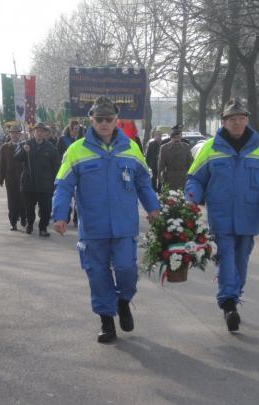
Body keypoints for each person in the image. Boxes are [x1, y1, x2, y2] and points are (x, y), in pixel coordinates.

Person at [52, 96, 160, 344]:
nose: (103, 123)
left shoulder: (132, 148)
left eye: (108, 119)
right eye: (99, 119)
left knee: (127, 269)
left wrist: (153, 209)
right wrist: (59, 214)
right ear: (91, 120)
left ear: (116, 120)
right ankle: (106, 321)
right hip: (93, 227)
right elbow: (63, 185)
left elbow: (143, 183)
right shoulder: (76, 150)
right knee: (97, 274)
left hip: (124, 225)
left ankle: (123, 300)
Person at [185, 98, 259, 332]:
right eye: (232, 119)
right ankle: (228, 302)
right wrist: (191, 200)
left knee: (242, 259)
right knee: (226, 255)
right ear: (224, 122)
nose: (237, 123)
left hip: (249, 215)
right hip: (221, 215)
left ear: (247, 120)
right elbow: (195, 179)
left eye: (241, 118)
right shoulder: (210, 148)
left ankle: (234, 295)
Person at [15, 122, 59, 237]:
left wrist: (56, 182)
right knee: (29, 208)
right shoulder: (26, 144)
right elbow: (17, 158)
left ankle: (43, 228)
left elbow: (56, 166)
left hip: (45, 184)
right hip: (29, 183)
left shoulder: (50, 147)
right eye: (37, 131)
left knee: (46, 209)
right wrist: (24, 150)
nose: (39, 133)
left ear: (45, 133)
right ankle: (30, 224)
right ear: (33, 132)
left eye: (42, 131)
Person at [0, 124, 27, 231]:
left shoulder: (25, 146)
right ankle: (13, 222)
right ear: (10, 134)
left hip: (23, 178)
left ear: (20, 134)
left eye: (17, 133)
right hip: (10, 179)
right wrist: (0, 178)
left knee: (23, 200)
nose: (15, 135)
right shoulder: (4, 147)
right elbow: (2, 164)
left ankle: (24, 218)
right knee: (12, 201)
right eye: (13, 133)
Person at [57, 119, 82, 226]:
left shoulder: (81, 139)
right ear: (70, 128)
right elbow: (57, 154)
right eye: (75, 128)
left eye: (78, 128)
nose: (76, 130)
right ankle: (65, 216)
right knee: (67, 195)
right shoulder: (63, 140)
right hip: (67, 170)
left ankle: (76, 218)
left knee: (78, 197)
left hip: (79, 171)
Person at [158, 124, 193, 190]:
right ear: (171, 138)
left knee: (183, 199)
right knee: (170, 199)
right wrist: (159, 182)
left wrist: (191, 181)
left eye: (178, 137)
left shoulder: (186, 147)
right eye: (174, 137)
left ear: (181, 137)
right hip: (169, 180)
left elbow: (190, 165)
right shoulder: (164, 148)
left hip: (183, 180)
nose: (177, 139)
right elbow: (160, 167)